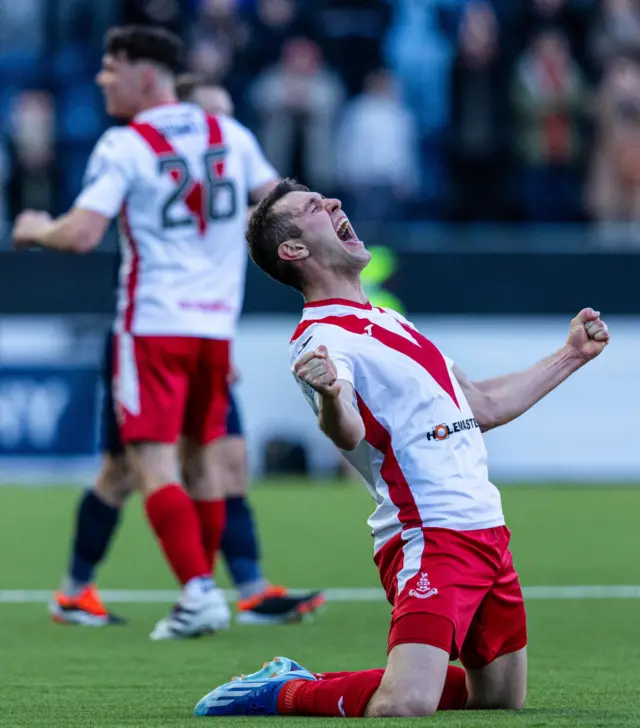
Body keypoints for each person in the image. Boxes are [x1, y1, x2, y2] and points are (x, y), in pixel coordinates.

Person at [193, 178, 610, 717]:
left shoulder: (387, 320)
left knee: (500, 697)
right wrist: (327, 396)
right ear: (293, 250)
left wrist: (571, 356)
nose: (336, 203)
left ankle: (330, 678)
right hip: (429, 534)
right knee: (405, 702)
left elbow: (481, 405)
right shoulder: (320, 339)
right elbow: (347, 430)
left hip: (486, 528)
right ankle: (281, 690)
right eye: (315, 207)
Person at [12, 25, 282, 641]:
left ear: (145, 73)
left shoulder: (125, 144)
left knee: (149, 460)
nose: (102, 80)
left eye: (112, 69)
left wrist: (33, 228)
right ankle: (198, 589)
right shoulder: (229, 134)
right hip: (215, 327)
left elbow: (81, 235)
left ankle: (197, 593)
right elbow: (278, 206)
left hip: (153, 323)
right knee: (202, 462)